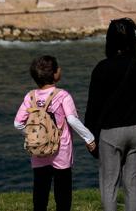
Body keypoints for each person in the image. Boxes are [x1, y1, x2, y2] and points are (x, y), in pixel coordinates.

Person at [85, 18, 136, 211]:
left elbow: (93, 107)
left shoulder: (101, 68)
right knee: (133, 183)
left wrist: (90, 137)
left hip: (111, 133)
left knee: (109, 184)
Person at [14, 55, 97, 211]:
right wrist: (89, 138)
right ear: (55, 75)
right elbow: (72, 120)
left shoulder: (30, 96)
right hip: (61, 151)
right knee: (63, 193)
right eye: (57, 67)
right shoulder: (62, 95)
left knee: (40, 191)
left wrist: (34, 134)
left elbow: (18, 123)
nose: (60, 69)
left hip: (38, 151)